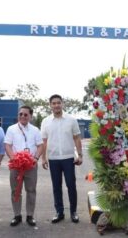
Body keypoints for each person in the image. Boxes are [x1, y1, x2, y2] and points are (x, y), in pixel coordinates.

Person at [41, 94, 83, 224]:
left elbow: (76, 138)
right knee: (56, 187)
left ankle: (73, 212)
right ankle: (59, 212)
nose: (56, 105)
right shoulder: (45, 121)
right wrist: (44, 158)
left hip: (68, 158)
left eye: (58, 103)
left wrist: (80, 155)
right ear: (50, 105)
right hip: (53, 159)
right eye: (53, 103)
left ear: (62, 104)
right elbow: (44, 141)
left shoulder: (71, 120)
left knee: (71, 185)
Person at [4, 105, 44, 227]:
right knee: (15, 191)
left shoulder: (35, 130)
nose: (22, 116)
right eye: (20, 114)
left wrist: (35, 158)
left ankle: (30, 216)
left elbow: (40, 146)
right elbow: (7, 145)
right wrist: (13, 159)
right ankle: (17, 215)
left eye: (25, 114)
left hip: (30, 166)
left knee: (31, 190)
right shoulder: (11, 129)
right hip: (16, 166)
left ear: (30, 116)